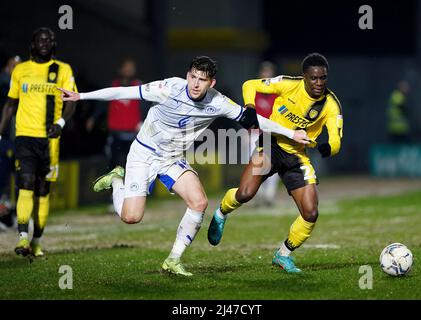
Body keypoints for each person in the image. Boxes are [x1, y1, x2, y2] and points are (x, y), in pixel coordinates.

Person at [59, 56, 310, 276]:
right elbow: (124, 93)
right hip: (143, 154)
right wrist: (81, 96)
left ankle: (173, 260)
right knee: (131, 217)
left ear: (211, 83)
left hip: (171, 159)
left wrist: (291, 133)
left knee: (199, 203)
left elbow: (255, 121)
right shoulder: (169, 88)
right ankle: (116, 180)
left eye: (202, 79)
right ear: (187, 75)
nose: (195, 83)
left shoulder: (218, 101)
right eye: (192, 77)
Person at [207, 53, 343, 273]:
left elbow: (336, 139)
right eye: (314, 78)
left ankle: (283, 255)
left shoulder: (331, 104)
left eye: (323, 78)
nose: (319, 83)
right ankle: (220, 213)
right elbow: (250, 85)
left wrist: (328, 147)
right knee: (245, 193)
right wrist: (250, 106)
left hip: (297, 157)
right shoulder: (289, 84)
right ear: (304, 77)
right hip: (271, 145)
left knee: (311, 213)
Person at [0, 27, 77, 256]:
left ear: (53, 44)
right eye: (40, 40)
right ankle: (23, 239)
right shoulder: (21, 70)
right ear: (33, 44)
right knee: (25, 182)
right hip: (24, 137)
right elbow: (10, 103)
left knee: (42, 191)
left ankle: (37, 241)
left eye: (49, 40)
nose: (44, 43)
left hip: (50, 140)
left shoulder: (63, 69)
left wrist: (61, 123)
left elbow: (71, 101)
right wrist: (1, 130)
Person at [87, 58, 148, 169]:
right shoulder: (112, 86)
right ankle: (114, 186)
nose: (129, 70)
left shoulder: (140, 87)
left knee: (133, 167)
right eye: (127, 67)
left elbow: (147, 107)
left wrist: (144, 122)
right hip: (115, 136)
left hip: (135, 136)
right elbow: (102, 104)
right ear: (120, 69)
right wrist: (93, 118)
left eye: (132, 68)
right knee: (113, 166)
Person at [250, 61, 279, 207]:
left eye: (269, 72)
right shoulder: (254, 90)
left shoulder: (278, 92)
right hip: (255, 133)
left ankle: (269, 195)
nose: (266, 74)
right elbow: (248, 113)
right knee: (256, 165)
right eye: (264, 72)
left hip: (272, 133)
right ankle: (258, 194)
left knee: (274, 164)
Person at [0, 55, 21, 230]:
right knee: (4, 176)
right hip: (5, 139)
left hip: (15, 138)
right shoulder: (4, 83)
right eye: (14, 65)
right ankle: (5, 217)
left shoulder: (16, 83)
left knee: (18, 177)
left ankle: (13, 216)